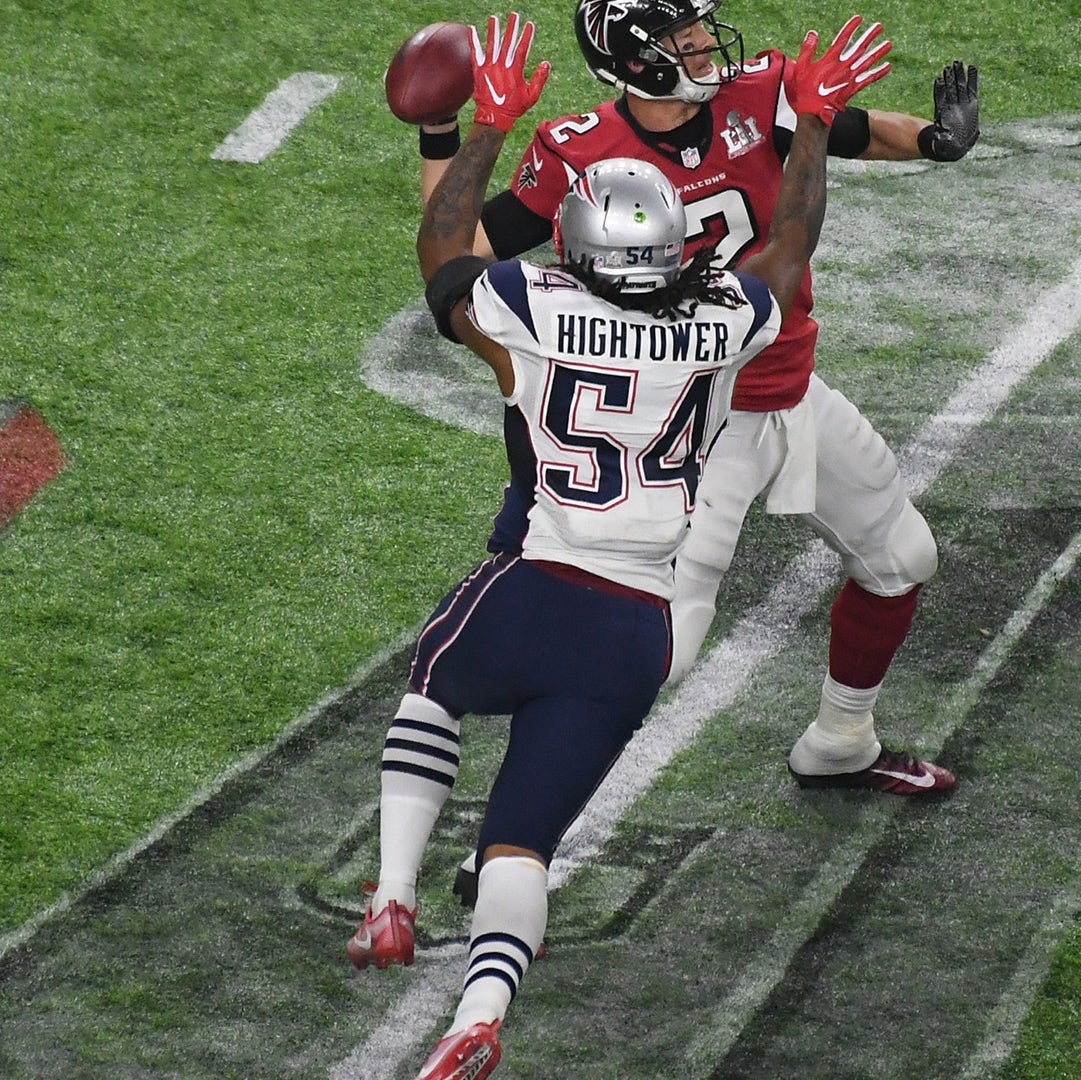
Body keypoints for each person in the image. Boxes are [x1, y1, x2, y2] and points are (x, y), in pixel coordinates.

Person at [346, 12, 889, 1079]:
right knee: (520, 848)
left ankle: (395, 898)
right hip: (636, 626)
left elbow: (443, 250)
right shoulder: (722, 318)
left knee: (428, 692)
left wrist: (478, 129)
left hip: (537, 580)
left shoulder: (528, 306)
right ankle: (477, 1018)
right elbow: (789, 246)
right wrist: (813, 128)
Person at [416, 0, 979, 796]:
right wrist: (441, 138)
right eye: (683, 38)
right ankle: (514, 832)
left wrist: (933, 138)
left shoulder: (757, 94)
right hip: (687, 422)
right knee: (659, 655)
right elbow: (468, 249)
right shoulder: (582, 151)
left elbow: (850, 130)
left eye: (702, 29)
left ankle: (842, 740)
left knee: (901, 558)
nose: (707, 46)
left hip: (787, 385)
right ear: (636, 61)